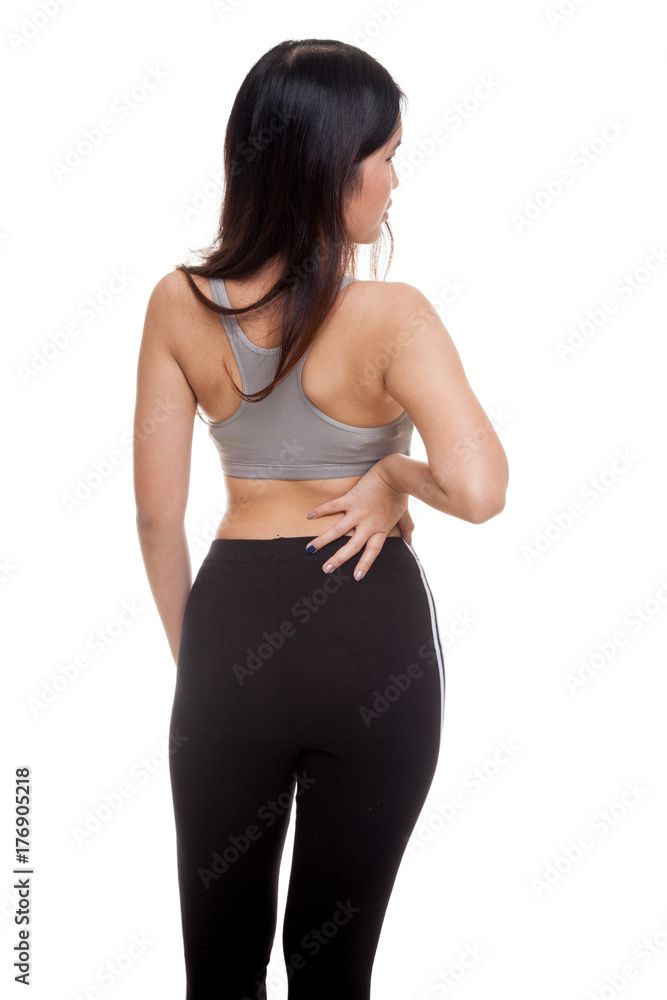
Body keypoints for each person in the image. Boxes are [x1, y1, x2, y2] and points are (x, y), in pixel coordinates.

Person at [133, 37, 508, 1000]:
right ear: (334, 167)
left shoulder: (178, 304)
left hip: (229, 637)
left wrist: (207, 668)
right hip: (369, 638)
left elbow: (155, 518)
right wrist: (393, 475)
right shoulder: (395, 315)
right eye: (385, 156)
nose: (394, 180)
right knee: (331, 970)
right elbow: (478, 489)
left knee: (219, 972)